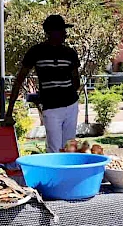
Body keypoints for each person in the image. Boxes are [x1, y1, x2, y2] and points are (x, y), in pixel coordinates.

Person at [5, 15, 81, 152]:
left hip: (71, 106)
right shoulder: (36, 52)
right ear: (50, 32)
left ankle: (69, 174)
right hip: (51, 108)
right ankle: (54, 174)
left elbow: (76, 82)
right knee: (55, 149)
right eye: (61, 30)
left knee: (70, 148)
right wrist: (9, 112)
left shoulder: (70, 53)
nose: (65, 33)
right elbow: (19, 80)